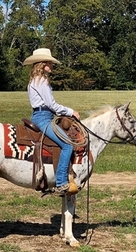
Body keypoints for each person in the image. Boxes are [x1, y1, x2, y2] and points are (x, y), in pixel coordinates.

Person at [23, 48, 80, 195]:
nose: (52, 65)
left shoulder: (33, 81)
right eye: (49, 63)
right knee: (67, 144)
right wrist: (71, 111)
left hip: (42, 115)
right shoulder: (42, 81)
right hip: (43, 118)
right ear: (42, 64)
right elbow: (52, 105)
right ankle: (61, 182)